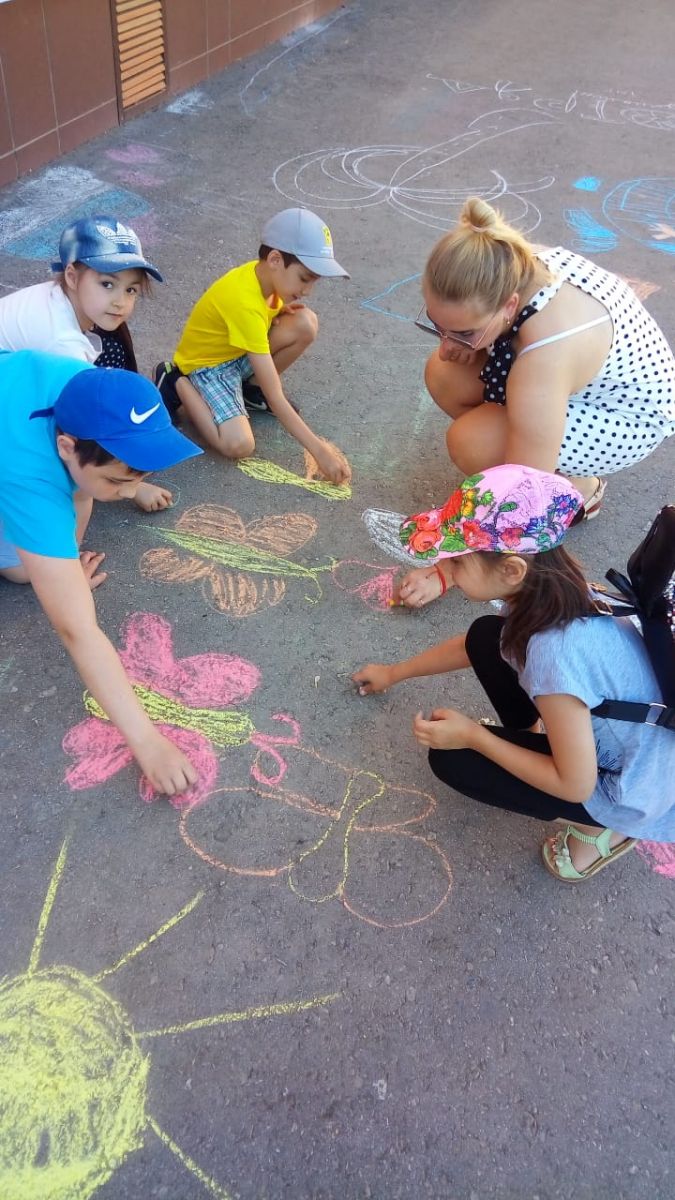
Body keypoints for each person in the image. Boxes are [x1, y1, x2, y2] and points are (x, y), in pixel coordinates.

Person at [352, 464, 675, 882]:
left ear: (511, 569)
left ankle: (610, 831)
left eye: (458, 560)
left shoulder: (554, 653)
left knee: (454, 760)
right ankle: (538, 742)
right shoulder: (559, 591)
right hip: (633, 740)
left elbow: (575, 785)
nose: (446, 565)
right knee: (487, 635)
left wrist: (476, 737)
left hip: (638, 788)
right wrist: (394, 673)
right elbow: (477, 645)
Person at [398, 195, 675, 609]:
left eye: (464, 332)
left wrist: (450, 568)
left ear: (509, 306)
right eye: (439, 326)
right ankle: (560, 469)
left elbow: (526, 488)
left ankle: (579, 488)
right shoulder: (503, 260)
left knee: (474, 443)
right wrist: (467, 340)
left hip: (627, 418)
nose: (446, 344)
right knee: (445, 373)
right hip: (577, 379)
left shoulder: (546, 354)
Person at [0, 349, 203, 797]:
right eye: (118, 480)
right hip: (11, 451)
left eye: (137, 476)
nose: (127, 491)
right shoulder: (27, 476)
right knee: (19, 571)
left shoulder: (93, 388)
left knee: (73, 511)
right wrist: (148, 743)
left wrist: (128, 484)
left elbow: (88, 478)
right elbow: (76, 630)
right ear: (66, 446)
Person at [155, 208, 351, 485]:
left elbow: (260, 315)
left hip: (237, 351)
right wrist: (319, 451)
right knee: (238, 445)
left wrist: (278, 310)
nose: (308, 290)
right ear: (275, 259)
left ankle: (250, 391)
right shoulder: (244, 302)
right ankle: (175, 380)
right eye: (304, 278)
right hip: (209, 367)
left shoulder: (267, 279)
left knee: (304, 322)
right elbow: (276, 396)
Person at [0, 215, 172, 513]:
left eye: (130, 290)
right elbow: (88, 431)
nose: (120, 301)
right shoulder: (62, 344)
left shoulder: (61, 298)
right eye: (107, 284)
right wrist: (132, 486)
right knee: (75, 478)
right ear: (71, 276)